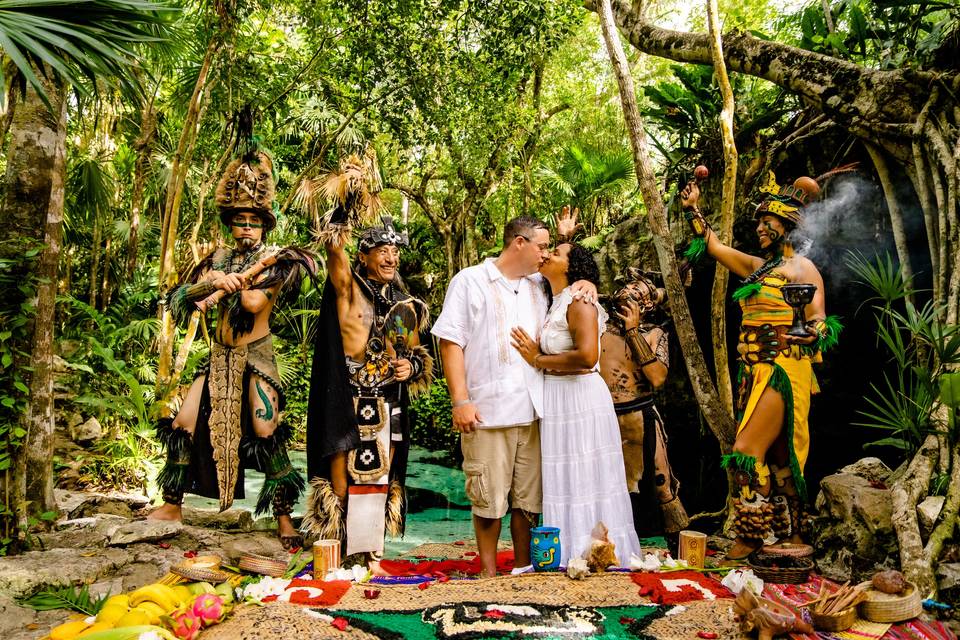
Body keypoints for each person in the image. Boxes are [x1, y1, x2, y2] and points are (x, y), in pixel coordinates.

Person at [151, 147, 314, 551]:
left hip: (255, 357)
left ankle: (283, 519)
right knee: (184, 422)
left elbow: (254, 304)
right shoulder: (216, 258)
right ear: (230, 224)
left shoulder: (276, 262)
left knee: (266, 430)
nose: (246, 229)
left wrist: (239, 281)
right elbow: (181, 300)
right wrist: (213, 282)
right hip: (217, 358)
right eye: (239, 222)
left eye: (253, 223)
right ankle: (172, 505)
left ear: (264, 228)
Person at [681, 171, 841, 561]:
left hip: (782, 369)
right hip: (751, 372)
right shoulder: (757, 267)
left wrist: (812, 334)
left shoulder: (803, 269)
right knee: (779, 458)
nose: (759, 229)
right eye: (758, 222)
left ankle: (751, 533)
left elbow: (820, 318)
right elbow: (714, 247)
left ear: (786, 227)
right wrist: (693, 209)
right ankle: (793, 532)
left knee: (746, 450)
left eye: (766, 223)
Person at [432, 211, 594, 577]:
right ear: (518, 243)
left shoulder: (539, 283)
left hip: (536, 411)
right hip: (488, 411)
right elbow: (450, 342)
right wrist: (460, 400)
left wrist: (588, 281)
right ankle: (488, 572)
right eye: (541, 246)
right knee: (488, 498)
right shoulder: (471, 281)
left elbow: (572, 276)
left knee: (528, 501)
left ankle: (522, 567)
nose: (545, 254)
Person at [302, 153, 432, 570]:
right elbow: (333, 246)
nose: (391, 257)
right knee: (341, 477)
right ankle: (334, 549)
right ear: (365, 255)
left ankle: (371, 552)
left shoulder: (402, 302)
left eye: (395, 250)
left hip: (386, 398)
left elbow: (414, 353)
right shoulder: (347, 288)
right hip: (348, 395)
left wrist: (409, 368)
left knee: (380, 478)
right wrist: (346, 198)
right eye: (382, 249)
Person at [510, 243, 641, 567]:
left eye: (556, 251)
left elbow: (587, 356)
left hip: (580, 399)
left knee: (585, 472)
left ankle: (599, 551)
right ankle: (568, 549)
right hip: (559, 401)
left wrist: (538, 359)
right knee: (565, 474)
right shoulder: (556, 298)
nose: (548, 254)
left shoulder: (580, 300)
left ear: (572, 268)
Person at [598, 268, 689, 540]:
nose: (629, 293)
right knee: (604, 484)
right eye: (628, 288)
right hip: (603, 417)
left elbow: (657, 376)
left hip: (640, 417)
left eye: (638, 293)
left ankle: (679, 547)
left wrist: (634, 331)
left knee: (662, 485)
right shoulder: (597, 323)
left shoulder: (655, 333)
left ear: (647, 305)